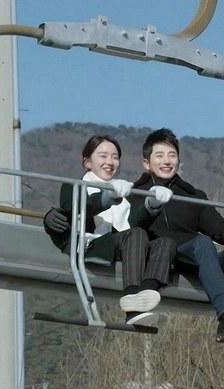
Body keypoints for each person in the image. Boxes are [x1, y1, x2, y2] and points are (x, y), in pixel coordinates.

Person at [129, 128, 224, 342]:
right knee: (201, 242)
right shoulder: (136, 194)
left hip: (199, 257)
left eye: (172, 155)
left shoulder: (193, 196)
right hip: (164, 257)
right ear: (147, 163)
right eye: (160, 155)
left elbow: (223, 233)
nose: (167, 161)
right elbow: (132, 227)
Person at [43, 134, 175, 326]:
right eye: (103, 156)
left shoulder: (124, 191)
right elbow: (79, 207)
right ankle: (132, 298)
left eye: (115, 157)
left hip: (125, 245)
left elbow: (134, 221)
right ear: (87, 162)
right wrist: (108, 196)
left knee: (166, 242)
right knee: (136, 234)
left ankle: (146, 292)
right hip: (94, 244)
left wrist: (152, 203)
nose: (110, 162)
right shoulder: (74, 187)